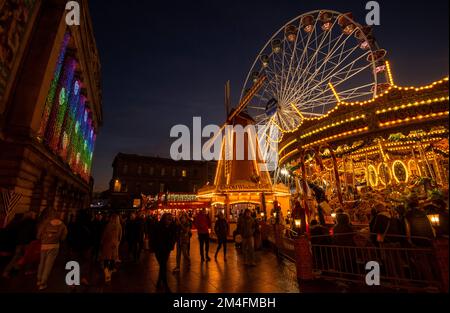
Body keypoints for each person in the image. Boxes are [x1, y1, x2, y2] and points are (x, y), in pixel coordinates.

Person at [36, 211, 68, 290]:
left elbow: (38, 235)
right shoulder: (62, 225)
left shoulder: (45, 223)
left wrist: (43, 238)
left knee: (42, 262)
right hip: (54, 246)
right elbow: (63, 237)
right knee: (48, 264)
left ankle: (39, 279)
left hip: (44, 245)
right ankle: (43, 283)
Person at [2, 211, 37, 278]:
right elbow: (33, 233)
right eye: (34, 214)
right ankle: (26, 270)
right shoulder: (32, 222)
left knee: (16, 257)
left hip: (19, 242)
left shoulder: (21, 221)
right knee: (28, 257)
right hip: (27, 243)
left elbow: (16, 231)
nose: (35, 216)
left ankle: (7, 271)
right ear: (31, 215)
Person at [67, 209, 92, 286]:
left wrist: (70, 245)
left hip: (75, 246)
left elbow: (69, 236)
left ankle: (73, 281)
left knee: (74, 263)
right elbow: (92, 236)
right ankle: (83, 278)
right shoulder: (89, 224)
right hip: (86, 247)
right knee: (85, 263)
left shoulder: (73, 225)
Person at [153, 213, 176, 292]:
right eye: (168, 219)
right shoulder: (158, 226)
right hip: (159, 249)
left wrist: (171, 245)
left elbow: (173, 236)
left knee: (162, 266)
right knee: (163, 266)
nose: (169, 221)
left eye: (170, 219)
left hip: (166, 249)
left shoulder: (171, 227)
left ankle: (159, 282)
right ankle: (165, 284)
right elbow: (154, 237)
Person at [101, 214, 122, 284]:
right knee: (113, 257)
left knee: (107, 257)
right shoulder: (119, 226)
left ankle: (106, 271)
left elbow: (104, 234)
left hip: (107, 244)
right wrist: (118, 242)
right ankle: (111, 270)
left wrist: (102, 241)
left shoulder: (108, 225)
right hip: (115, 244)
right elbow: (120, 236)